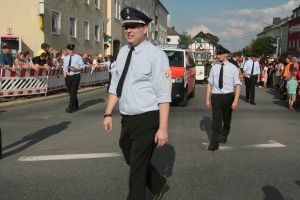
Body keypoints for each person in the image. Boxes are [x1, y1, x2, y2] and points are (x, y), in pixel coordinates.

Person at [103, 7, 171, 200]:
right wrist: (108, 113)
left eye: (134, 26)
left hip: (147, 118)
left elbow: (163, 95)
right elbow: (116, 85)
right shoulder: (123, 52)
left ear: (145, 29)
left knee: (137, 170)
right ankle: (158, 183)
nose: (129, 30)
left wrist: (163, 128)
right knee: (131, 158)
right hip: (127, 118)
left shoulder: (156, 55)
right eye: (126, 27)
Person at [205, 45, 241, 151]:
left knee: (226, 117)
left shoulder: (233, 68)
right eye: (218, 54)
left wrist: (236, 100)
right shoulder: (214, 67)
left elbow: (237, 85)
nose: (218, 56)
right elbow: (209, 83)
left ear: (226, 55)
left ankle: (225, 132)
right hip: (216, 96)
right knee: (216, 119)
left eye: (220, 54)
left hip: (228, 96)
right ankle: (214, 143)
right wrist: (207, 98)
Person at [63, 44, 85, 113]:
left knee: (73, 92)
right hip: (68, 76)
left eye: (72, 49)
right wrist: (65, 77)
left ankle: (70, 108)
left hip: (76, 75)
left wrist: (76, 69)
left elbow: (83, 66)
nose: (71, 51)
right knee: (71, 93)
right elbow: (64, 68)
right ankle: (76, 104)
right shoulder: (66, 58)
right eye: (70, 50)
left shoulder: (78, 57)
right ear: (67, 50)